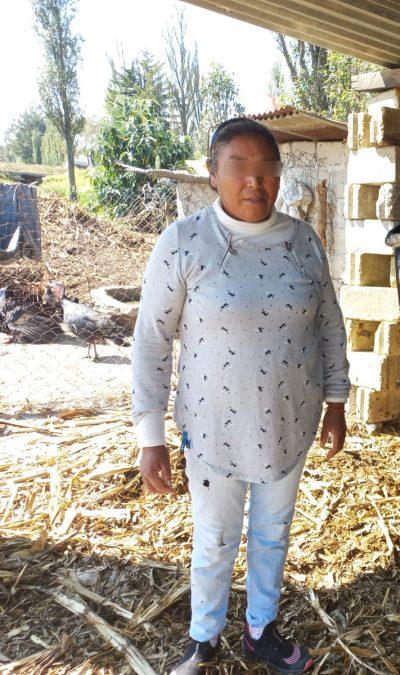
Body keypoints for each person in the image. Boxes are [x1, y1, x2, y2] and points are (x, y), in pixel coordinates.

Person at [131, 117, 349, 674]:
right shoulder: (185, 243)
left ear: (279, 176)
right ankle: (203, 637)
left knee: (273, 533)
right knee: (215, 537)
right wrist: (149, 436)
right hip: (212, 426)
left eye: (266, 169)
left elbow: (328, 322)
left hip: (289, 420)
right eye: (238, 167)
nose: (254, 182)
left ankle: (260, 628)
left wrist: (336, 401)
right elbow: (153, 338)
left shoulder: (302, 241)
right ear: (212, 173)